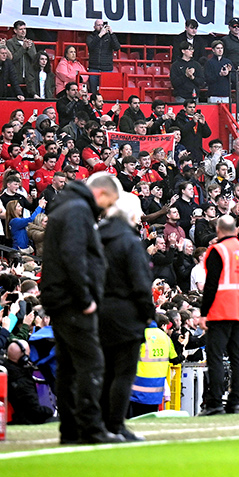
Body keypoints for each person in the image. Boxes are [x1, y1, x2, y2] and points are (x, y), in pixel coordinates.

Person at [39, 170, 116, 444]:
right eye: (108, 203)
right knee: (91, 363)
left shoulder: (68, 207)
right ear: (101, 193)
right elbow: (74, 255)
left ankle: (71, 430)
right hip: (72, 301)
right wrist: (85, 298)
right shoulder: (77, 211)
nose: (106, 210)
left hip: (61, 298)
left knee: (70, 366)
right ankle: (90, 427)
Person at [98, 187, 156, 442]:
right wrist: (148, 315)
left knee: (104, 372)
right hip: (125, 313)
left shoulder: (95, 237)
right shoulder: (130, 242)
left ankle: (100, 424)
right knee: (123, 372)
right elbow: (141, 285)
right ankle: (115, 425)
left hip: (97, 311)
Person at [199, 213, 239, 416]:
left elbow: (211, 284)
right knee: (237, 357)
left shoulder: (218, 250)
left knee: (215, 357)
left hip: (219, 310)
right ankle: (234, 403)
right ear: (235, 230)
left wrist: (204, 313)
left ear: (218, 229)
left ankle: (215, 403)